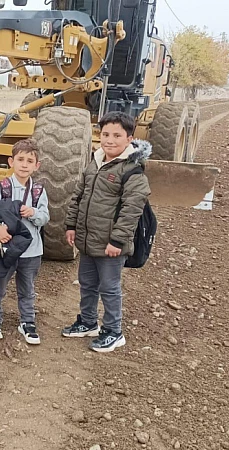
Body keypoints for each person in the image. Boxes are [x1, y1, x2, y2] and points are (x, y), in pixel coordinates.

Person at [61, 112, 151, 352]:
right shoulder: (95, 162)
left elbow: (132, 209)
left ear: (129, 138)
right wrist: (71, 226)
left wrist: (117, 240)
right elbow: (78, 196)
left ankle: (113, 331)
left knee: (109, 288)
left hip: (111, 244)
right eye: (106, 134)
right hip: (88, 240)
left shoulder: (132, 170)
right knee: (87, 283)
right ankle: (88, 322)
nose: (110, 140)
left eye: (117, 135)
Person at [0, 139, 50, 344]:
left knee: (27, 288)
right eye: (20, 159)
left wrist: (34, 212)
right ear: (11, 161)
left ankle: (27, 322)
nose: (24, 164)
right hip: (6, 249)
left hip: (31, 251)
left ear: (36, 165)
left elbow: (46, 216)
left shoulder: (38, 191)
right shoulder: (1, 188)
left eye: (30, 160)